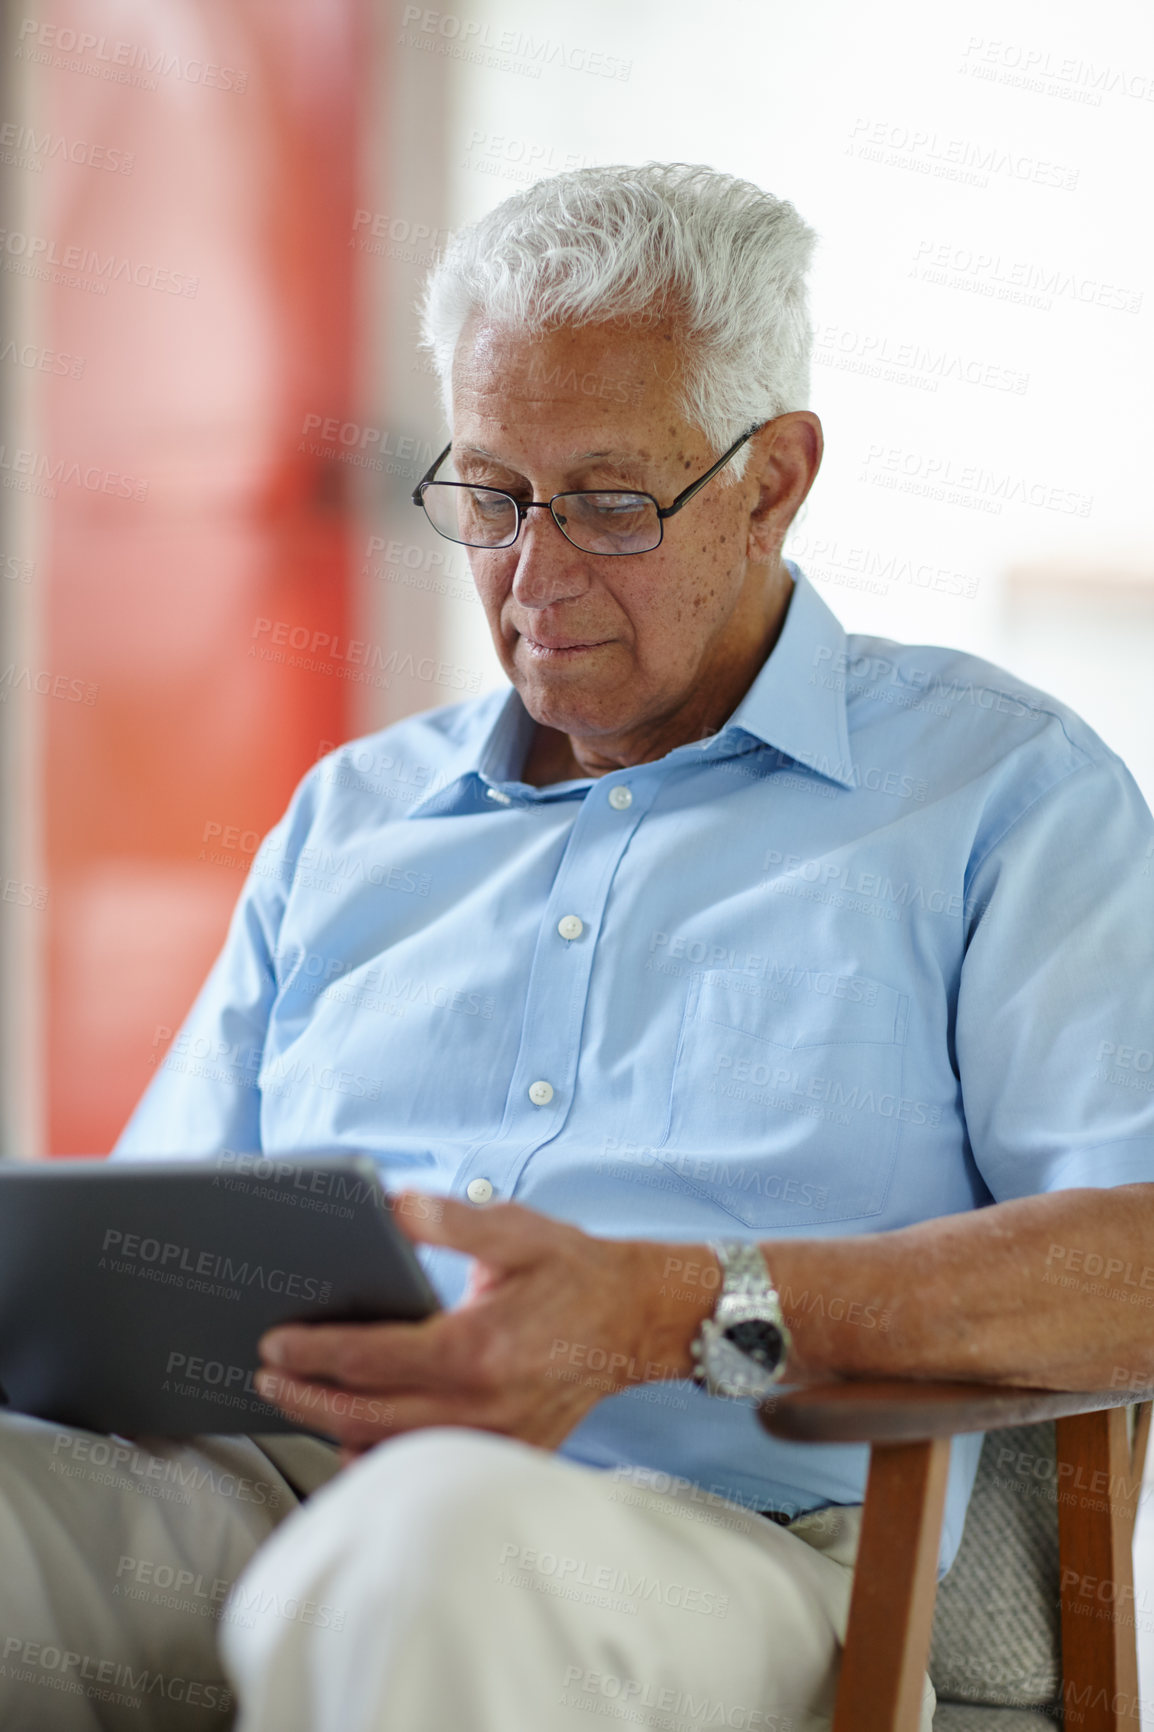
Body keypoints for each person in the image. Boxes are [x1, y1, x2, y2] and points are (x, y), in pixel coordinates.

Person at [3, 163, 1152, 1732]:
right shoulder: (355, 816)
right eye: (488, 495)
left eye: (610, 502)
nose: (532, 578)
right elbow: (131, 1280)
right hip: (266, 1497)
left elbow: (1135, 1258)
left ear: (772, 480)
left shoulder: (995, 794)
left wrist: (674, 1307)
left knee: (425, 1553)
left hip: (720, 1547)